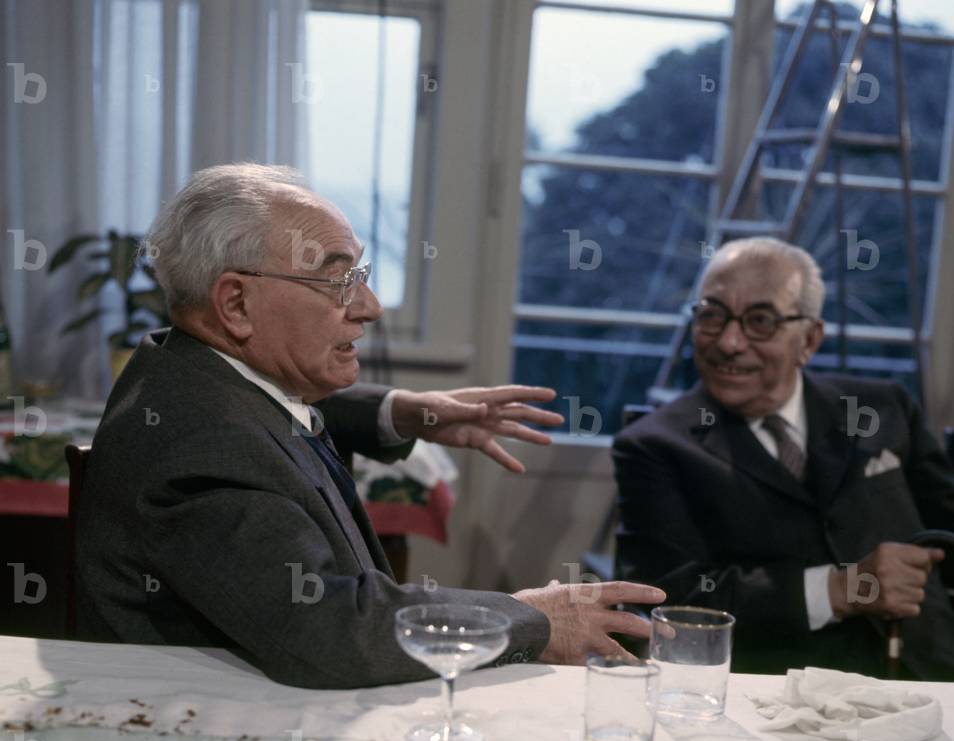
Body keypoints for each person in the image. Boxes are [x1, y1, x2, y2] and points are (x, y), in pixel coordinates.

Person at [76, 163, 663, 688]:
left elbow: (262, 411)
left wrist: (403, 411)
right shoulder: (203, 444)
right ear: (235, 305)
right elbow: (331, 629)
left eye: (359, 273)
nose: (370, 305)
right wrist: (533, 618)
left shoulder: (184, 369)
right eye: (337, 281)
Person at [613, 236, 954, 680]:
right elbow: (671, 599)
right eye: (711, 316)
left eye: (760, 321)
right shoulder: (653, 446)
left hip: (931, 680)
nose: (729, 342)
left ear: (809, 339)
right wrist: (839, 590)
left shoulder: (883, 408)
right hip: (778, 701)